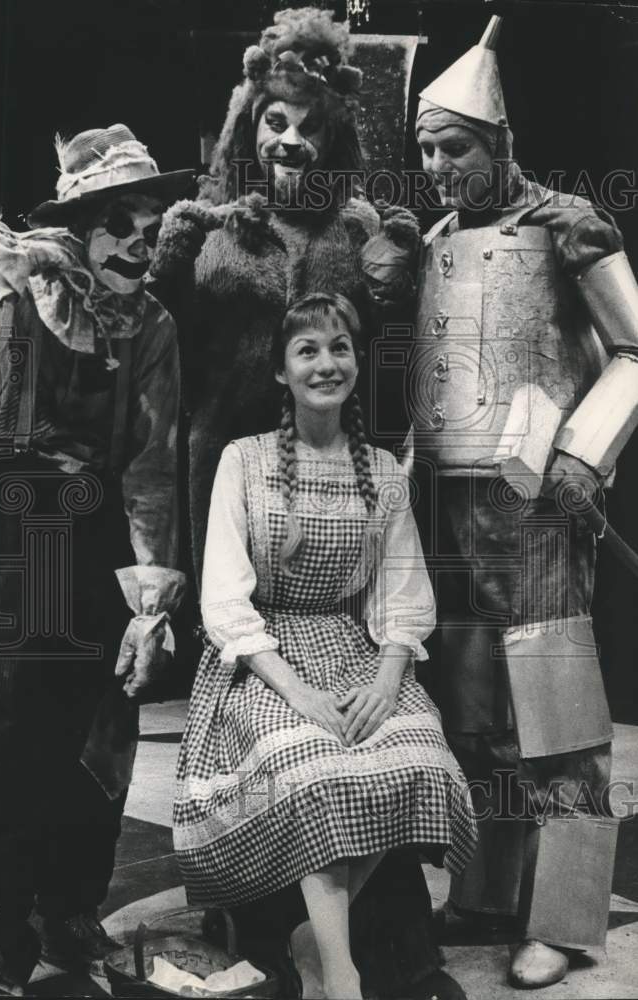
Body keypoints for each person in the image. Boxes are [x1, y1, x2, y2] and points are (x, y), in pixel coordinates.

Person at [408, 15, 638, 989]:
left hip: (540, 506)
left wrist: (587, 453)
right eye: (422, 148)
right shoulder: (430, 240)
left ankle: (570, 912)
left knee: (557, 714)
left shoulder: (567, 223)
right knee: (474, 712)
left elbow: (634, 348)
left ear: (498, 141)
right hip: (453, 509)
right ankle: (489, 890)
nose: (434, 164)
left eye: (451, 145)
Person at [173, 292, 477, 1000]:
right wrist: (296, 690)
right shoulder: (242, 461)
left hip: (353, 646)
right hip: (262, 659)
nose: (325, 363)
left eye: (339, 348)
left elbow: (402, 593)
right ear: (281, 371)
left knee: (421, 756)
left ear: (356, 361)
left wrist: (384, 678)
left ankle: (315, 936)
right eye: (307, 350)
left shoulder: (381, 469)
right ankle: (340, 974)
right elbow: (222, 594)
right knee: (314, 768)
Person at [0, 124, 191, 994]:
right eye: (121, 219)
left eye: (150, 221)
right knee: (0, 717)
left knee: (97, 727)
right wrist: (14, 301)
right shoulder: (20, 293)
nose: (140, 238)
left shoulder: (154, 324)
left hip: (99, 540)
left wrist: (149, 594)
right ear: (81, 223)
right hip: (22, 528)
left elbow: (152, 460)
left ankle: (69, 908)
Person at [150, 6, 420, 583]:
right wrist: (168, 275)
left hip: (330, 456)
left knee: (323, 592)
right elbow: (165, 355)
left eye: (309, 127)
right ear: (248, 130)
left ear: (333, 138)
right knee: (225, 601)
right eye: (276, 123)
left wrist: (398, 271)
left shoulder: (357, 226)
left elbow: (383, 346)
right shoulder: (209, 223)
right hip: (220, 455)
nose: (290, 142)